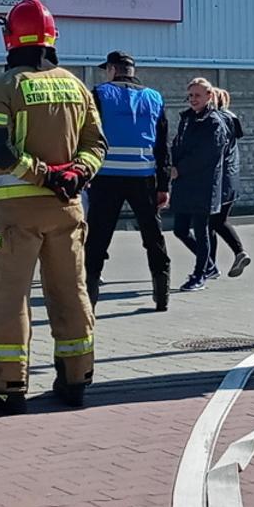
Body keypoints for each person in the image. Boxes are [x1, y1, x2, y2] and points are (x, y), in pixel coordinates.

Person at [0, 0, 106, 416]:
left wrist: (41, 174)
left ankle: (8, 387)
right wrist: (75, 175)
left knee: (9, 298)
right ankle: (75, 380)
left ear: (11, 37)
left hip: (17, 214)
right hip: (67, 209)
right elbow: (97, 145)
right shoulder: (76, 85)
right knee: (71, 293)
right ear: (51, 36)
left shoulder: (6, 86)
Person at [82, 50, 174, 311]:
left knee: (98, 238)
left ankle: (89, 299)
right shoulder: (154, 97)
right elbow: (162, 146)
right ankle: (162, 295)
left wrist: (85, 172)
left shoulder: (99, 94)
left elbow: (87, 135)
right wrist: (164, 185)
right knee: (153, 237)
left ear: (112, 69)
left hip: (106, 178)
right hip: (143, 178)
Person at [169, 78, 229, 292]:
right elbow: (179, 145)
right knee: (180, 230)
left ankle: (200, 274)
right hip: (185, 185)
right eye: (190, 95)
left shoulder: (213, 122)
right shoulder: (187, 119)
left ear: (209, 97)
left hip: (203, 185)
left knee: (201, 230)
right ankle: (209, 266)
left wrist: (180, 168)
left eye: (197, 95)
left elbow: (206, 155)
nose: (193, 99)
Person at [209, 87, 250, 277]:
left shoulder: (217, 120)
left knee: (212, 222)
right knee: (216, 221)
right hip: (231, 180)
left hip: (219, 180)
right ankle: (214, 262)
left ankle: (214, 263)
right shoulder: (231, 119)